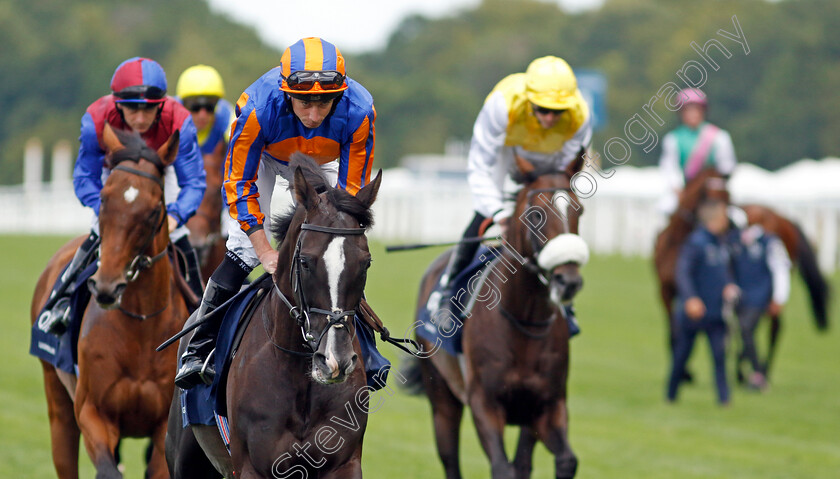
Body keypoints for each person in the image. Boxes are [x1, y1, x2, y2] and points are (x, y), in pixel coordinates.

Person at [175, 37, 377, 388]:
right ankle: (198, 347)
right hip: (267, 159)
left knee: (340, 252)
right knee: (241, 251)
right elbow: (238, 183)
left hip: (320, 165)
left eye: (325, 103)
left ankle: (368, 353)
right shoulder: (256, 107)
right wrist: (264, 250)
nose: (314, 116)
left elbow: (352, 193)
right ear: (286, 93)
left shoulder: (360, 111)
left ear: (339, 96)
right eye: (304, 103)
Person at [39, 57, 206, 334]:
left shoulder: (180, 121)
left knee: (179, 238)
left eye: (149, 110)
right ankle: (60, 302)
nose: (140, 119)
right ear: (117, 104)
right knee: (98, 233)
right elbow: (85, 178)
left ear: (162, 105)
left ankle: (202, 319)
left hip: (162, 175)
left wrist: (176, 216)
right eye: (131, 109)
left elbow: (194, 183)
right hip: (114, 179)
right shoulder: (95, 118)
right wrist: (106, 210)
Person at [428, 55, 592, 335]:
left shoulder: (580, 115)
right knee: (482, 215)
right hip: (507, 151)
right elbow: (479, 167)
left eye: (558, 111)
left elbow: (565, 171)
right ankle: (445, 293)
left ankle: (564, 300)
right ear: (529, 100)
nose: (550, 117)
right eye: (543, 109)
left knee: (556, 214)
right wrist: (500, 213)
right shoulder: (502, 105)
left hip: (549, 159)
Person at [667, 198, 739, 405]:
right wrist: (690, 298)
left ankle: (724, 399)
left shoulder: (722, 242)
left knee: (720, 355)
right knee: (682, 355)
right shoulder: (696, 242)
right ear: (715, 219)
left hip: (717, 311)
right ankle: (671, 394)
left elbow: (724, 272)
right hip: (695, 312)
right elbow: (683, 272)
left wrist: (729, 285)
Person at [731, 224, 791, 390]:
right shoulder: (734, 239)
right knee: (743, 334)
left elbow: (781, 270)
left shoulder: (770, 242)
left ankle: (758, 374)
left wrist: (779, 298)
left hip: (759, 297)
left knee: (746, 329)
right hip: (740, 297)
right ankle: (742, 370)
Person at [658, 88, 737, 214]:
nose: (692, 114)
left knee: (736, 216)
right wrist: (678, 189)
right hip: (685, 190)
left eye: (696, 110)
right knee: (665, 210)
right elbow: (670, 167)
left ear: (703, 111)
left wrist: (712, 183)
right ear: (681, 113)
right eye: (688, 110)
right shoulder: (672, 139)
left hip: (712, 189)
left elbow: (727, 166)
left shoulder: (719, 137)